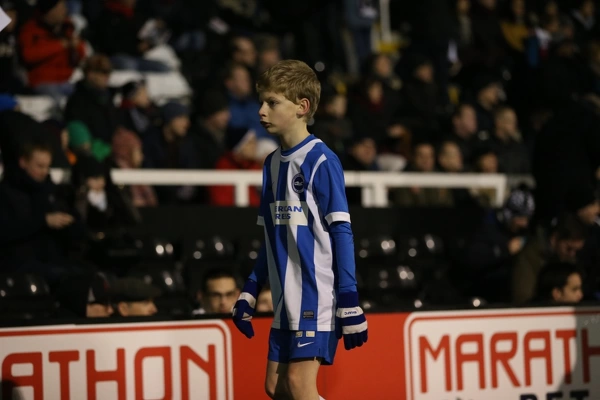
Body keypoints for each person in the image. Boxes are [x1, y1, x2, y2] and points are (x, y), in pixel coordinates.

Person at [231, 60, 368, 400]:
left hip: (316, 295)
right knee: (275, 388)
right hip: (284, 297)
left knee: (298, 384)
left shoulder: (322, 160)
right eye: (262, 101)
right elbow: (270, 237)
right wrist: (250, 288)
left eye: (272, 102)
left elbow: (342, 231)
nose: (262, 110)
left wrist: (348, 297)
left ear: (302, 107)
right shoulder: (271, 165)